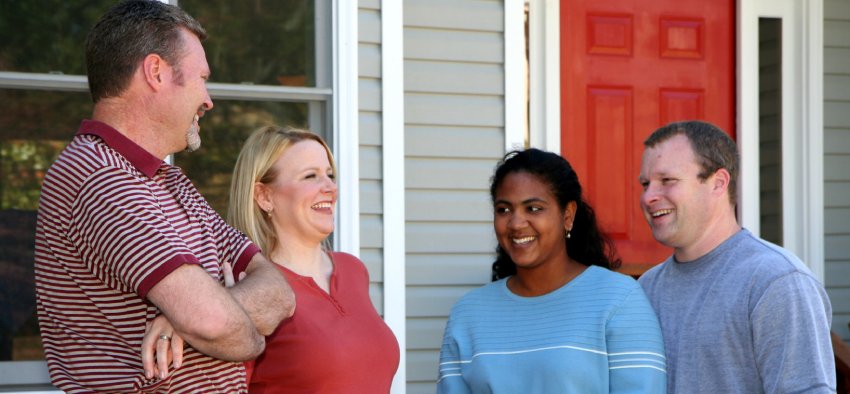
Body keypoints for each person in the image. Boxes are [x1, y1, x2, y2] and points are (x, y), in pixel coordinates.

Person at [33, 1, 295, 392]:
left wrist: (188, 320)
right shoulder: (100, 177)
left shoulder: (170, 183)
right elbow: (219, 326)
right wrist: (241, 333)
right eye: (201, 78)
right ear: (156, 72)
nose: (208, 100)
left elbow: (279, 291)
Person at [438, 148, 667, 393]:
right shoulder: (468, 314)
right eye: (504, 209)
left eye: (533, 208)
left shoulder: (619, 299)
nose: (516, 223)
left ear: (567, 215)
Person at [637, 120, 836, 393]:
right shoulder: (647, 288)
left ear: (718, 183)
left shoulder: (776, 281)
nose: (649, 196)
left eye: (667, 180)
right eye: (646, 183)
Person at [227, 125, 400, 393]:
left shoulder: (353, 270)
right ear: (264, 196)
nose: (330, 187)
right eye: (310, 176)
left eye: (330, 175)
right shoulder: (247, 287)